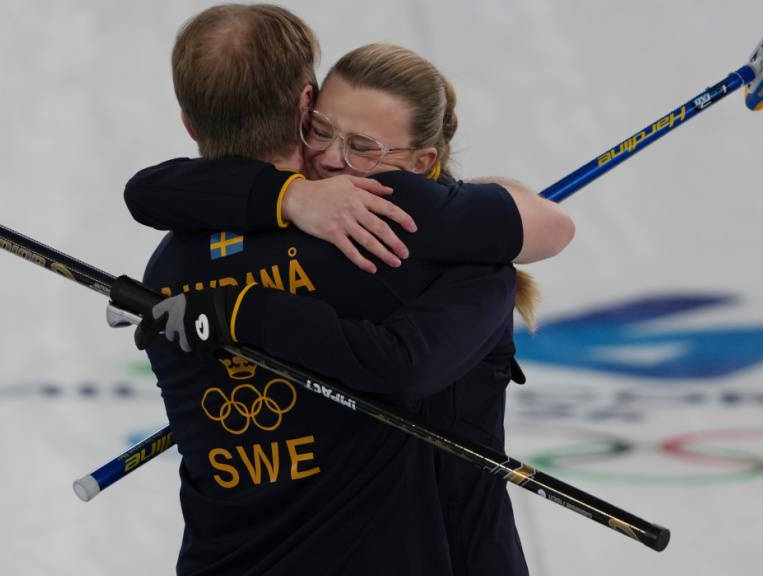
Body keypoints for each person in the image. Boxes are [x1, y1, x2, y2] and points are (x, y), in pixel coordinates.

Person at [128, 5, 572, 575]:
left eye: (363, 147)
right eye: (325, 132)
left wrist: (282, 203)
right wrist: (471, 225)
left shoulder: (168, 266)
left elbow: (144, 192)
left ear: (188, 122)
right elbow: (549, 228)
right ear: (304, 103)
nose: (338, 159)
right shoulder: (392, 216)